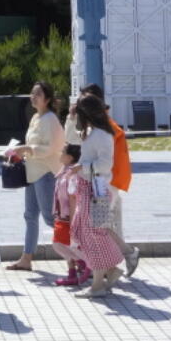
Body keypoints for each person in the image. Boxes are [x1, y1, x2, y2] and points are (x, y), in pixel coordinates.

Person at [65, 83, 140, 276]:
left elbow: (108, 161)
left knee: (99, 227)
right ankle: (116, 262)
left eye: (85, 100)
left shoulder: (106, 129)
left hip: (104, 185)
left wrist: (86, 169)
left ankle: (112, 265)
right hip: (98, 184)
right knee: (100, 226)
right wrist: (71, 118)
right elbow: (72, 139)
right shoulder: (93, 127)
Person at [5, 81, 65, 271]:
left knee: (50, 218)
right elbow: (33, 145)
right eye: (32, 93)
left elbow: (54, 147)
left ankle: (80, 254)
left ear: (47, 99)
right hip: (32, 173)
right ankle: (26, 258)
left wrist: (27, 148)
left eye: (37, 94)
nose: (33, 97)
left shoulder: (51, 119)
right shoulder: (36, 118)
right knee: (30, 215)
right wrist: (19, 152)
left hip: (46, 173)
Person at [69, 95, 124, 298]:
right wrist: (70, 117)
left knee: (94, 233)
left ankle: (99, 283)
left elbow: (104, 165)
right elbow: (71, 137)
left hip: (98, 190)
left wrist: (81, 167)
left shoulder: (100, 135)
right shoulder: (93, 132)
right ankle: (110, 270)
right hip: (93, 188)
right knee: (88, 231)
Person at [50, 143, 85, 286]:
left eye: (63, 152)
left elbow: (73, 198)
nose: (60, 153)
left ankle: (83, 263)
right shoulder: (63, 170)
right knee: (61, 244)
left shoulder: (72, 174)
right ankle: (73, 270)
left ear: (70, 157)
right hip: (61, 214)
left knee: (62, 244)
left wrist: (73, 218)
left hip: (69, 216)